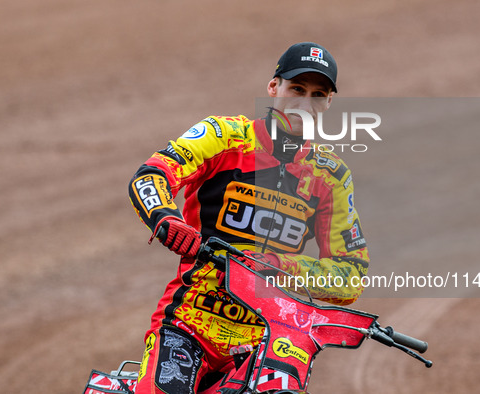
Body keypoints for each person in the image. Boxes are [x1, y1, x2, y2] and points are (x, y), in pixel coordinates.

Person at [129, 42, 370, 394]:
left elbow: (350, 276)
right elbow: (151, 175)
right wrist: (167, 220)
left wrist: (279, 265)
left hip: (271, 339)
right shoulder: (224, 136)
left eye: (318, 95)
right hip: (191, 320)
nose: (305, 103)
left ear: (328, 104)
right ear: (274, 88)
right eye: (297, 89)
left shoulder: (330, 176)